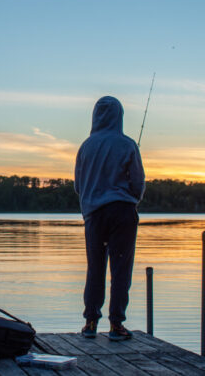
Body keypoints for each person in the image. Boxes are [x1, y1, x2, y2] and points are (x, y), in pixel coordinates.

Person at [74, 96, 145, 341]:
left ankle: (91, 322)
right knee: (121, 269)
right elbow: (138, 182)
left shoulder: (86, 146)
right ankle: (116, 325)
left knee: (95, 268)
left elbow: (78, 185)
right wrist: (132, 199)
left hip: (94, 214)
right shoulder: (127, 144)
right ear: (120, 116)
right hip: (122, 212)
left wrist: (91, 199)